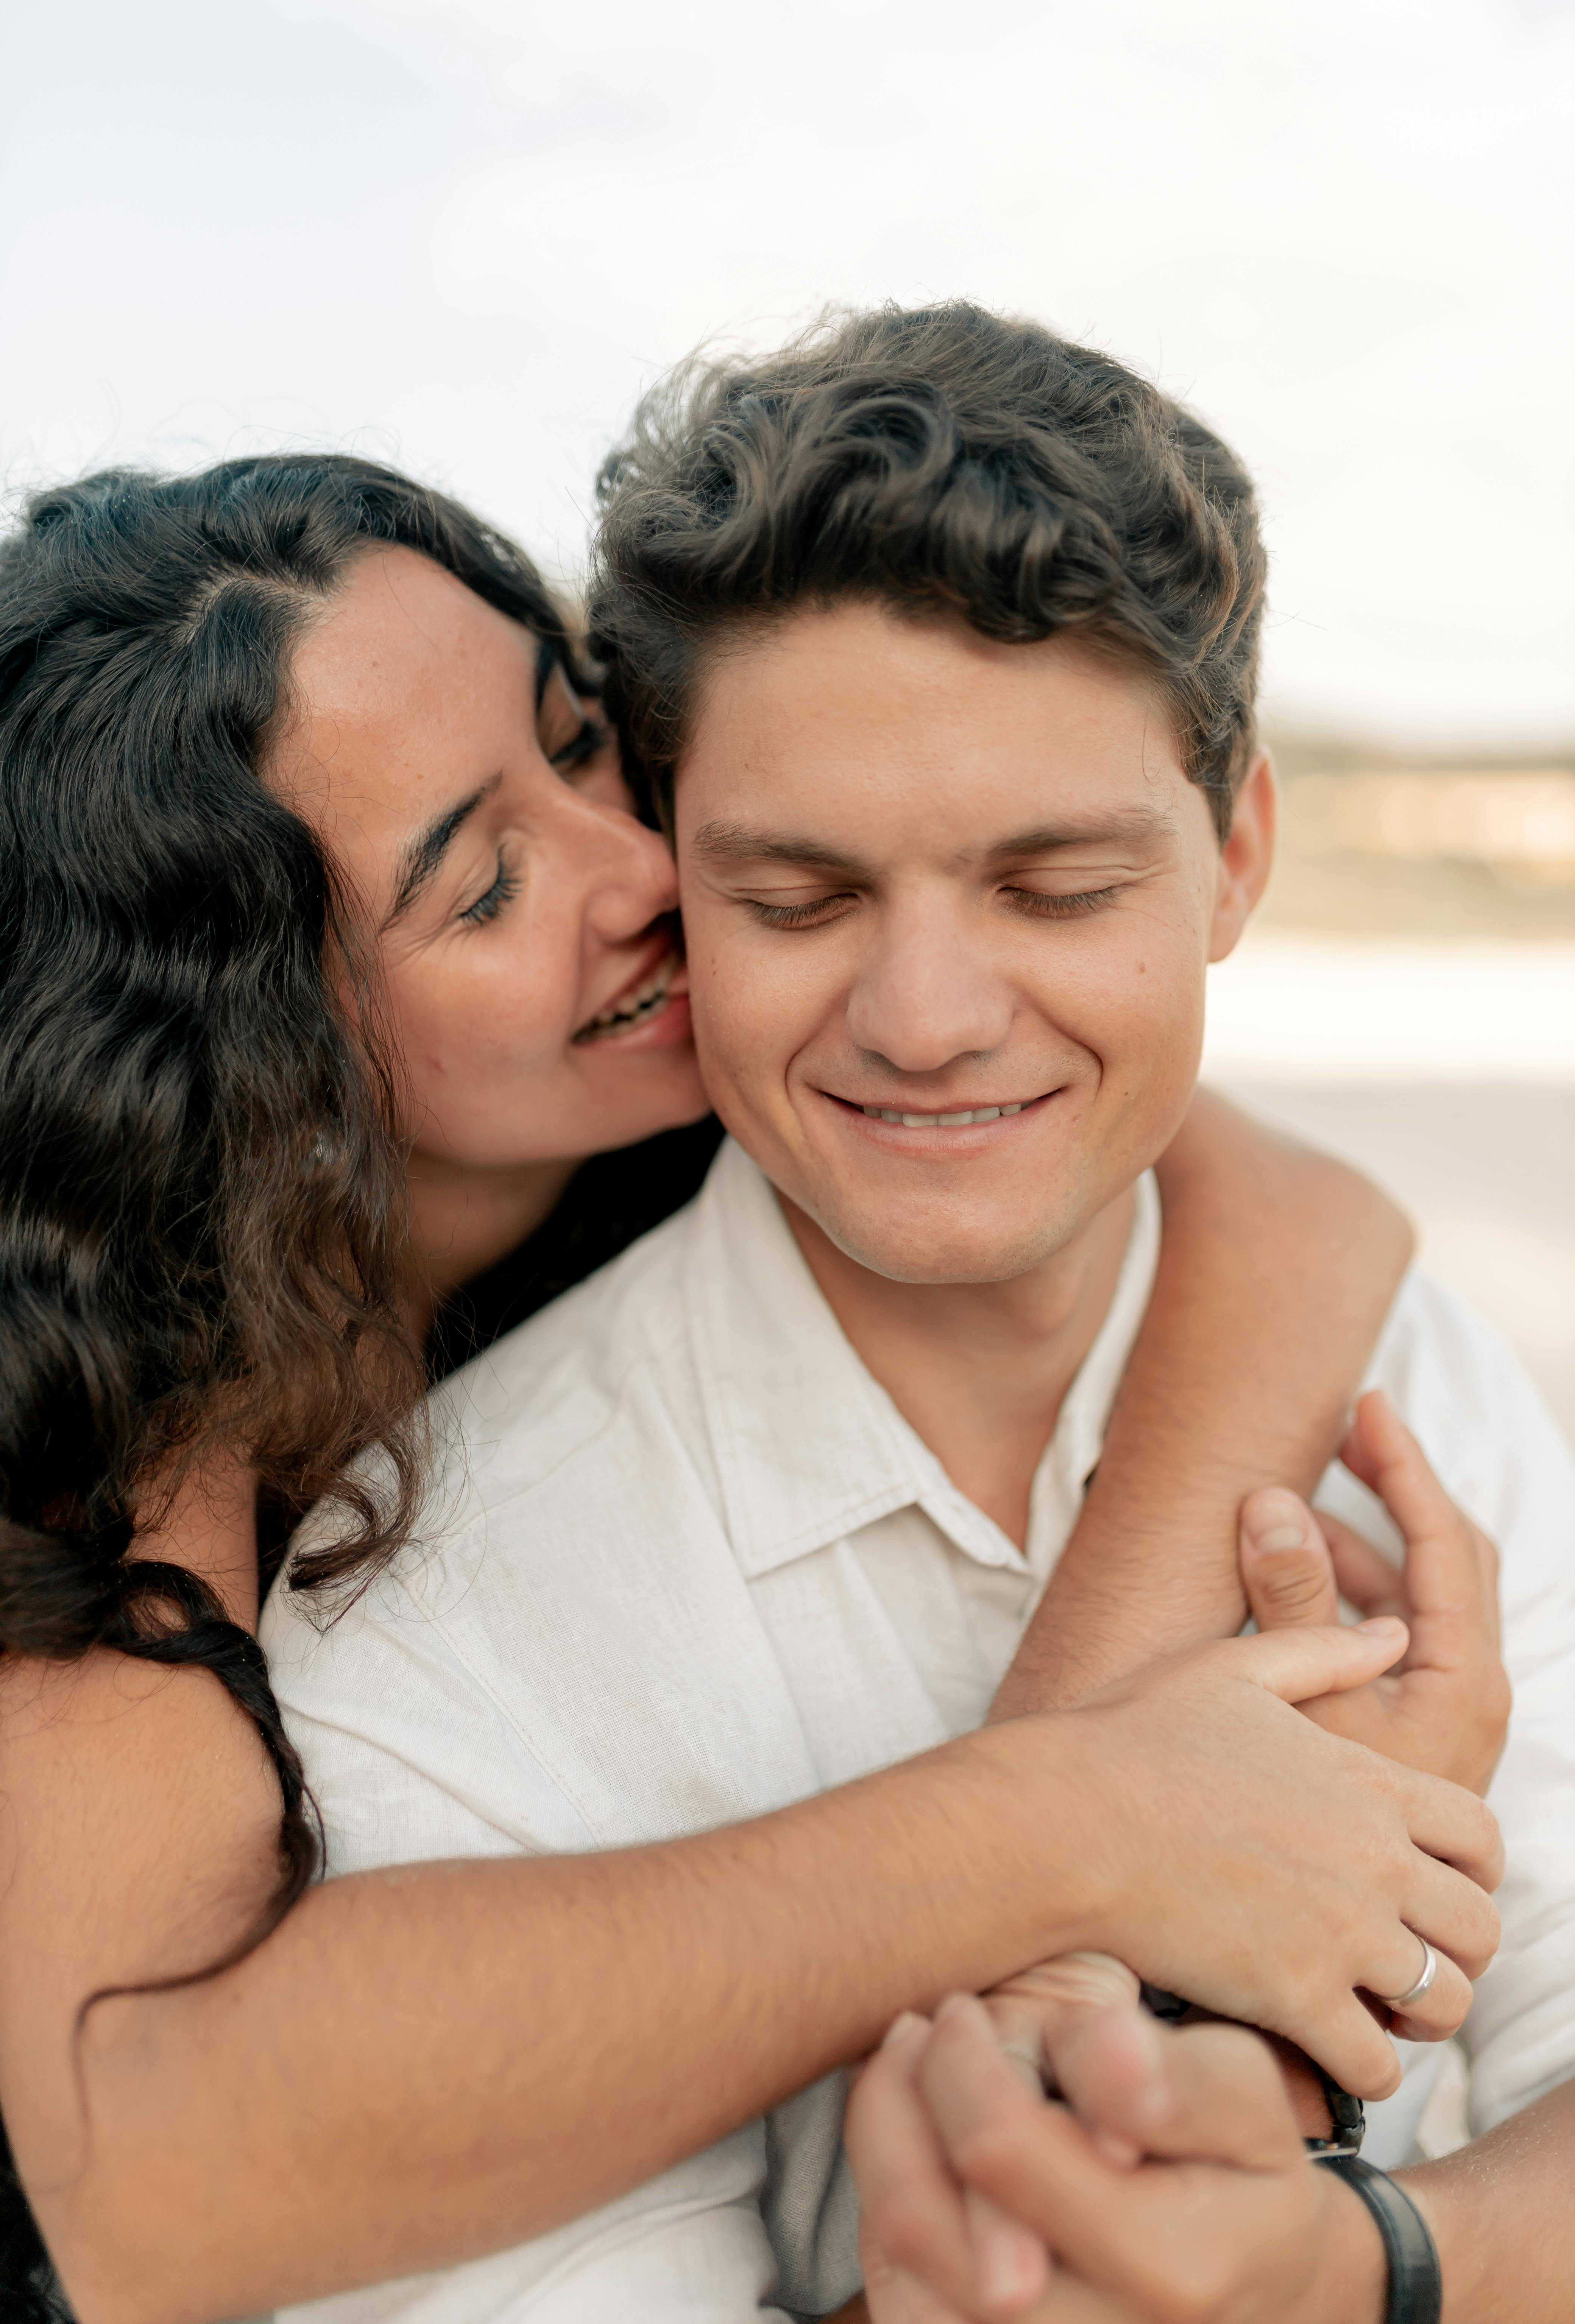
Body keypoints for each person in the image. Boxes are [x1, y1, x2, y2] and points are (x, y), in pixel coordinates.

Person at [0, 454, 1421, 2324]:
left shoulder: (726, 1118)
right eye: (488, 880)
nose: (647, 867)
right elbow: (154, 2179)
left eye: (586, 742)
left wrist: (1139, 1748)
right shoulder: (96, 1423)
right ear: (242, 1058)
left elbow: (1284, 1203)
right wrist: (1088, 1826)